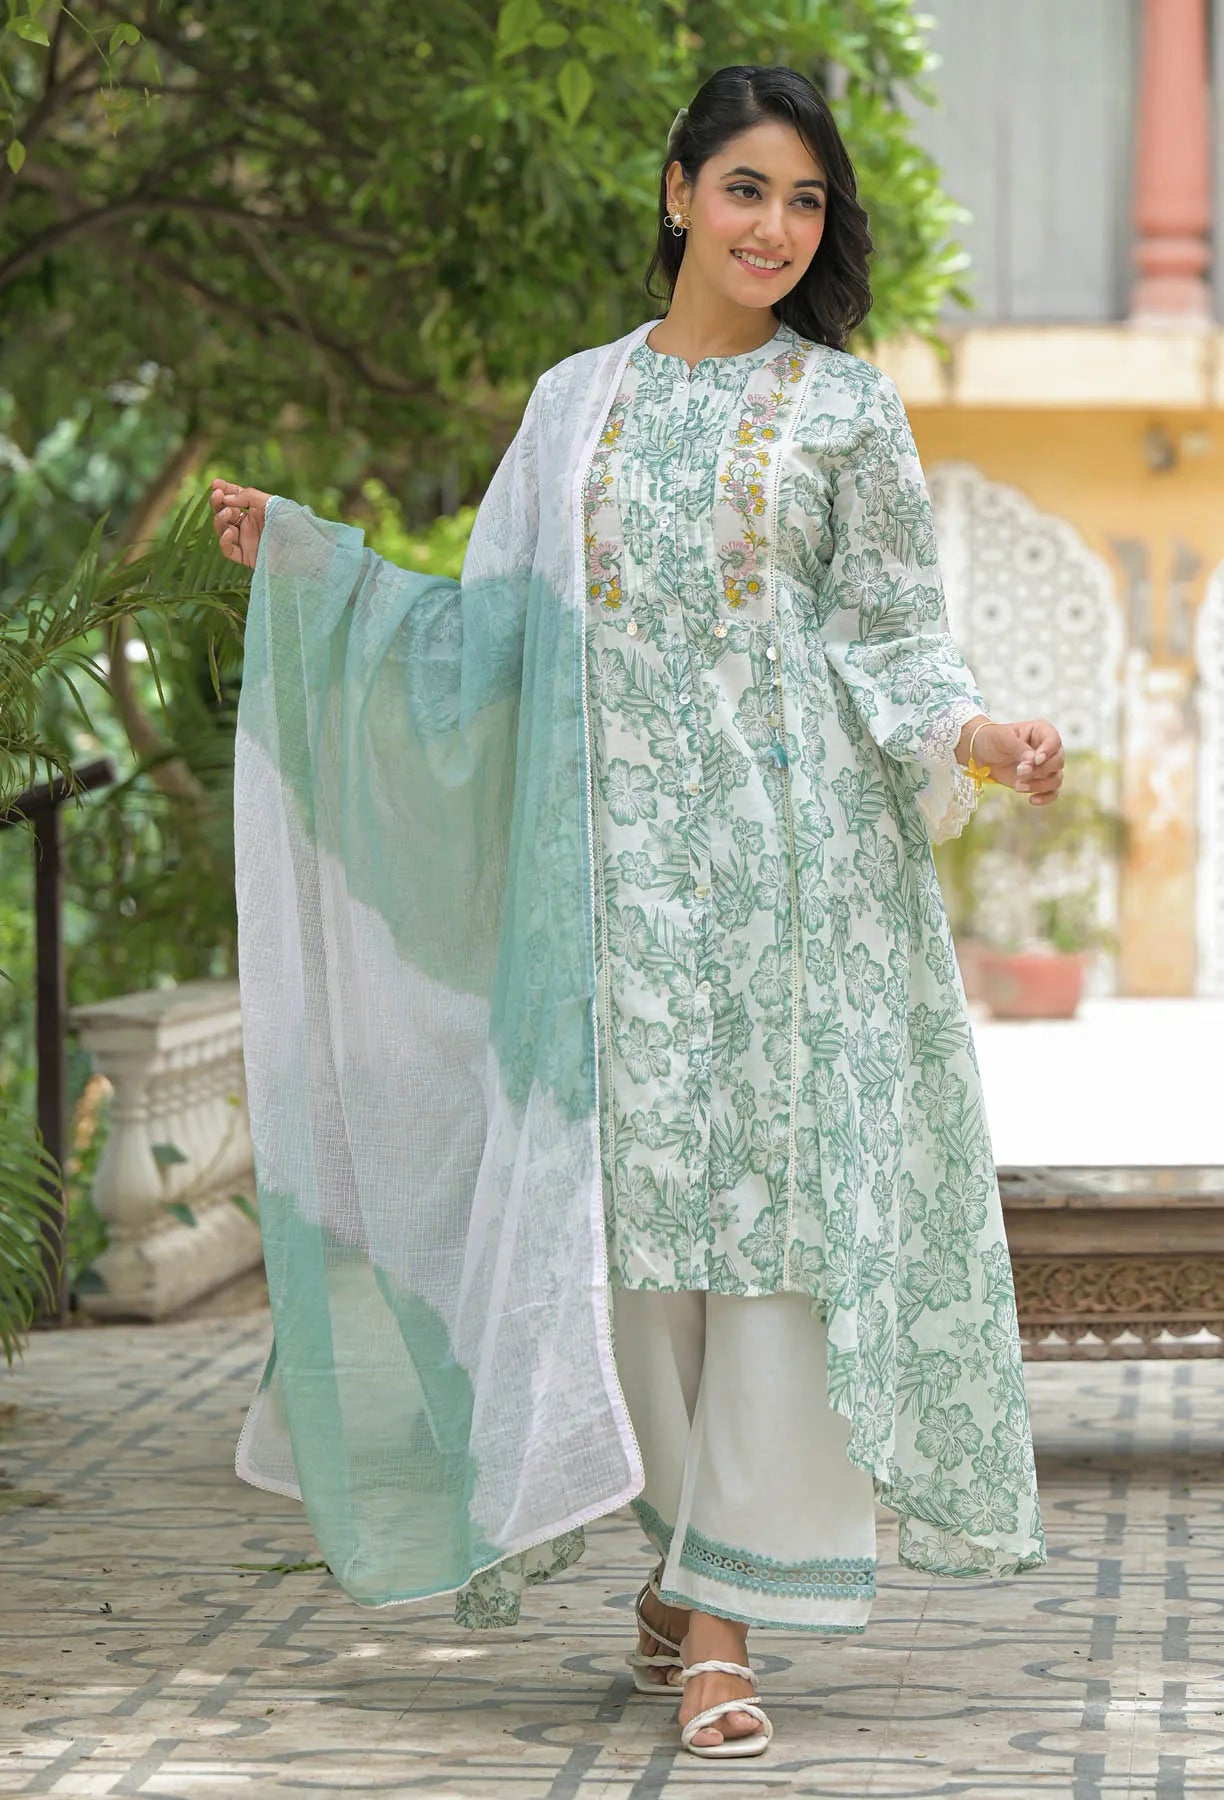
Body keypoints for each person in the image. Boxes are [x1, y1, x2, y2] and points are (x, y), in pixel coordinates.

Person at [211, 64, 1061, 1762]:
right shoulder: (572, 407)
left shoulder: (843, 410)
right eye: (747, 189)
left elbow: (890, 633)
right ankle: (685, 1561)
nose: (775, 227)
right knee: (624, 1247)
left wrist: (972, 732)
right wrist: (322, 572)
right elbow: (493, 641)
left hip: (799, 888)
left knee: (767, 1244)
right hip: (604, 889)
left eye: (805, 202)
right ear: (678, 195)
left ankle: (723, 1624)